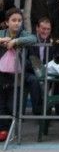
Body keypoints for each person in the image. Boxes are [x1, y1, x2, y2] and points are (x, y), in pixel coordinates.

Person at [0, 8, 36, 142]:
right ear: (7, 22)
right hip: (1, 74)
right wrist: (1, 39)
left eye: (19, 20)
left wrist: (16, 42)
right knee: (1, 104)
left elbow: (33, 38)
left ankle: (11, 130)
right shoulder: (2, 33)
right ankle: (3, 130)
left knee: (12, 104)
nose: (17, 23)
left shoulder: (23, 34)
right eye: (13, 20)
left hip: (18, 75)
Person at [24, 17, 52, 115]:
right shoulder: (30, 40)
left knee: (56, 80)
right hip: (29, 72)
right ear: (37, 28)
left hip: (46, 72)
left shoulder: (52, 42)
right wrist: (37, 68)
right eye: (43, 28)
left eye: (48, 29)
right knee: (35, 80)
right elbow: (24, 61)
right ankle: (38, 111)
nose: (45, 31)